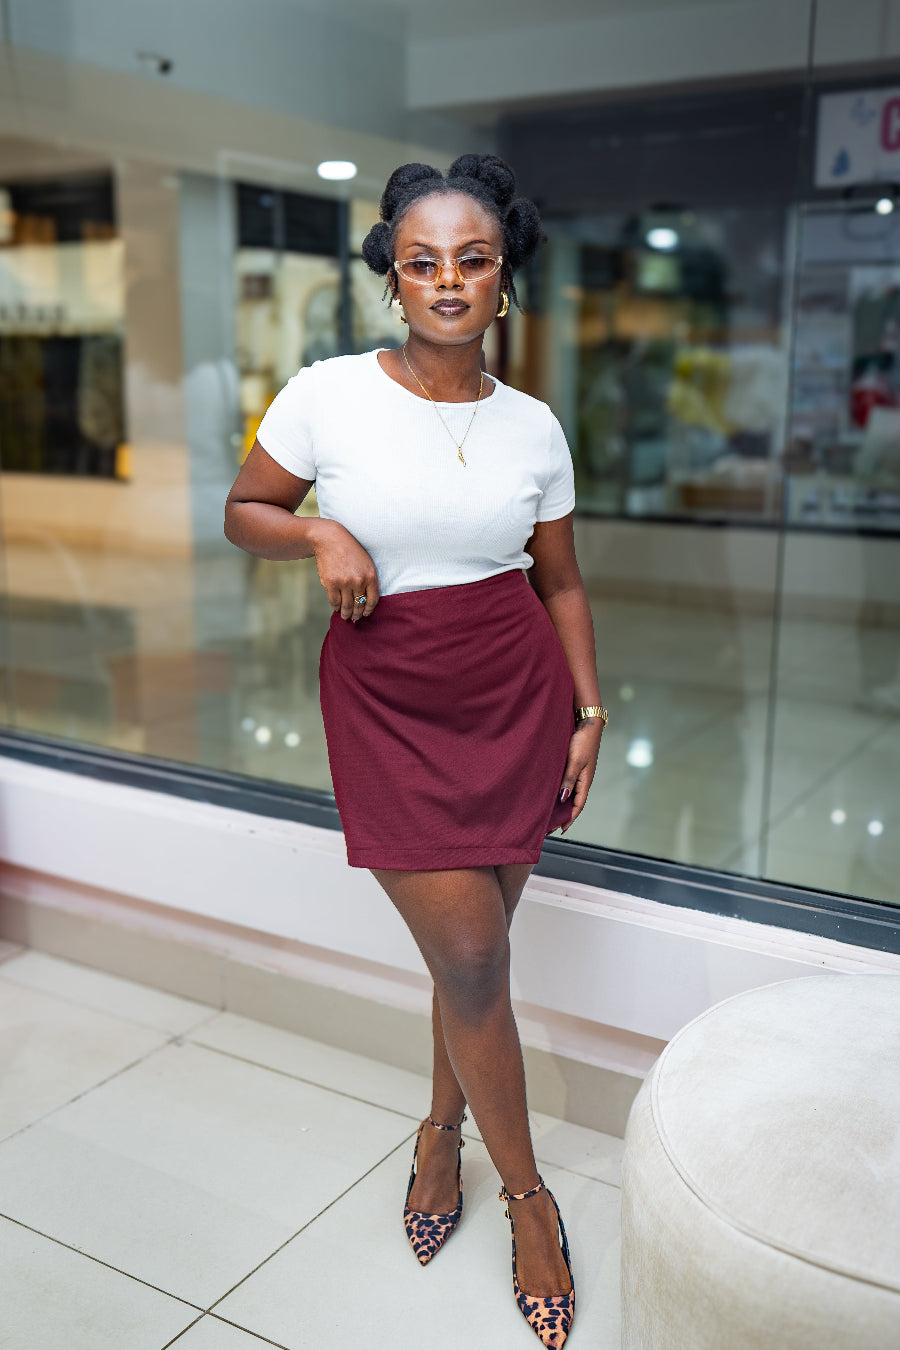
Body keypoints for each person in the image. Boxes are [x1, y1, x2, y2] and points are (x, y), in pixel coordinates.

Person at [224, 153, 606, 1349]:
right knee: (476, 959)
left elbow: (562, 581)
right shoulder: (327, 394)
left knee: (469, 962)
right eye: (422, 260)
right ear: (392, 277)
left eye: (472, 260)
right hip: (387, 698)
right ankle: (531, 1205)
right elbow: (243, 511)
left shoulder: (534, 425)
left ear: (504, 278)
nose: (447, 280)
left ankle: (441, 1134)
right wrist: (319, 533)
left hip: (515, 696)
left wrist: (589, 713)